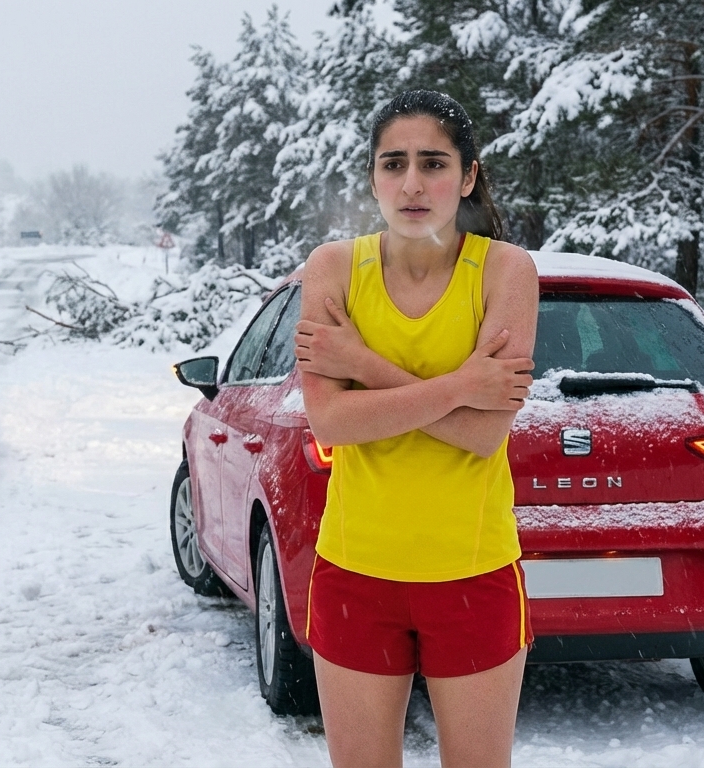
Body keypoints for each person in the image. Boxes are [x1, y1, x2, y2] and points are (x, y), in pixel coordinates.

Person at [294, 89, 539, 768]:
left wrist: (361, 365)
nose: (411, 184)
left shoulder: (505, 272)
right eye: (392, 163)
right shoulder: (334, 269)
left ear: (467, 176)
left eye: (433, 163)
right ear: (372, 176)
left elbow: (484, 435)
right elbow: (330, 420)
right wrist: (463, 386)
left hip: (474, 572)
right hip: (356, 572)